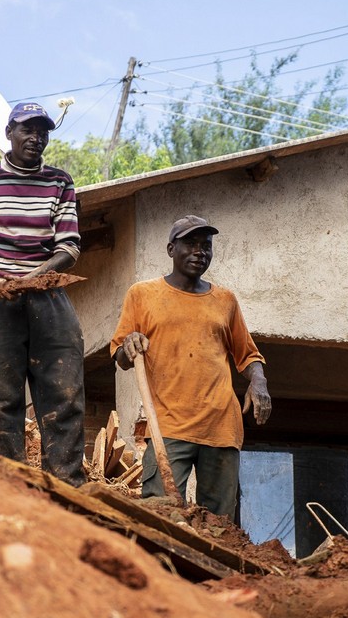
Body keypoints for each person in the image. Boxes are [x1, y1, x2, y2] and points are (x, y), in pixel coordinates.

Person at [0, 101, 86, 485]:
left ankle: (66, 490)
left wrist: (33, 279)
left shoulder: (60, 182)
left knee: (64, 397)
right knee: (0, 402)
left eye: (42, 132)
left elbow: (69, 247)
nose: (36, 138)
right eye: (27, 130)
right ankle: (11, 488)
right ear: (9, 132)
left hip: (47, 298)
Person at [110, 215, 272, 517]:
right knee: (160, 517)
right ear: (171, 249)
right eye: (191, 244)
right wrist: (129, 344)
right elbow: (120, 357)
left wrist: (258, 381)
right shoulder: (142, 294)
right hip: (168, 428)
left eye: (206, 246)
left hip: (221, 427)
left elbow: (248, 355)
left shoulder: (225, 300)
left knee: (219, 527)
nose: (200, 252)